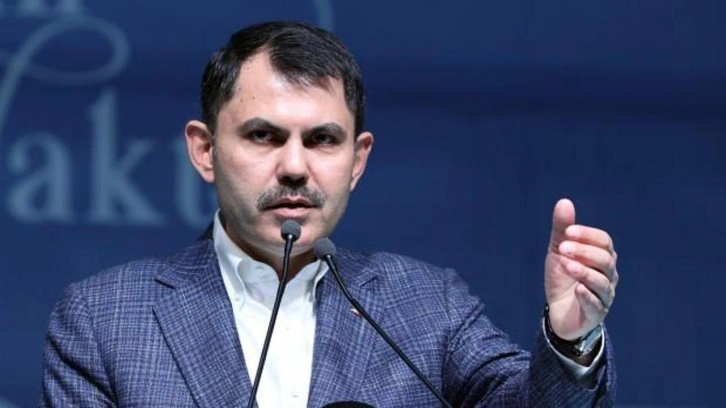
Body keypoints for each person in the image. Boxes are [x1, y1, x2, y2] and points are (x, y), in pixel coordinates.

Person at [41, 21, 619, 407]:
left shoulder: (428, 306)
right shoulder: (104, 320)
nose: (295, 167)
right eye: (263, 136)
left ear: (357, 160)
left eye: (322, 140)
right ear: (205, 150)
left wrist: (570, 338)